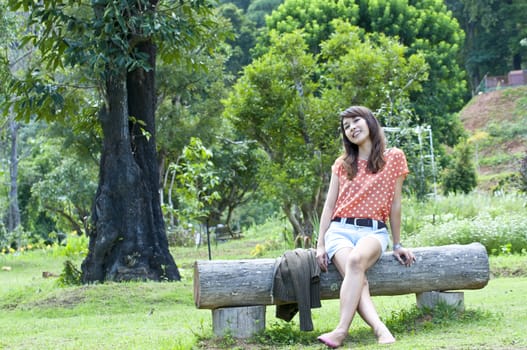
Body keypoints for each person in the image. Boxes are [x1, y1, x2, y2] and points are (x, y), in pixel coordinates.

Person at [316, 106, 416, 348]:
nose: (352, 128)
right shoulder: (342, 163)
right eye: (346, 126)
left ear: (370, 121)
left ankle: (341, 331)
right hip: (339, 230)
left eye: (356, 121)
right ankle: (380, 330)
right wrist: (320, 244)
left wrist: (397, 243)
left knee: (355, 262)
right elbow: (329, 207)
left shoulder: (394, 158)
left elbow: (395, 204)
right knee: (357, 274)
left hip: (374, 231)